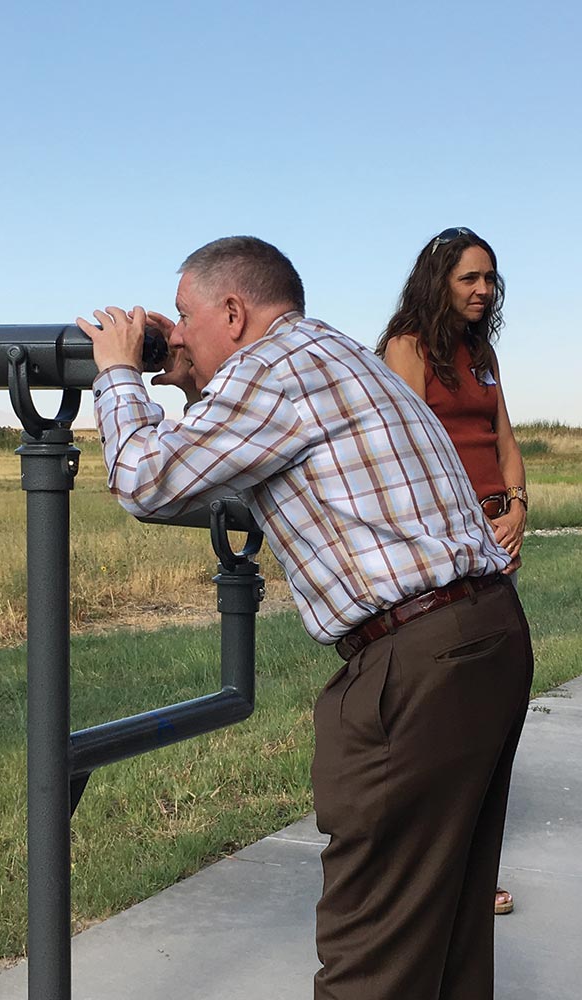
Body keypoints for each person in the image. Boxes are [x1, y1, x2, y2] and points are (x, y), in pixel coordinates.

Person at [77, 236, 533, 1000]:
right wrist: (192, 379)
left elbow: (146, 482)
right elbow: (236, 455)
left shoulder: (271, 370)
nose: (176, 334)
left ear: (233, 310)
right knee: (446, 931)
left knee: (373, 951)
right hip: (485, 636)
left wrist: (120, 371)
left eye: (184, 317)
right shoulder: (332, 355)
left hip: (415, 661)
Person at [376, 227, 526, 917]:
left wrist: (517, 507)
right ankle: (434, 874)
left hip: (498, 537)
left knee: (490, 718)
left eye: (490, 279)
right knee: (447, 725)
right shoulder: (408, 347)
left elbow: (503, 437)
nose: (483, 290)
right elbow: (402, 457)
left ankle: (473, 873)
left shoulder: (481, 351)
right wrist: (469, 534)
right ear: (439, 280)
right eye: (470, 278)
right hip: (449, 552)